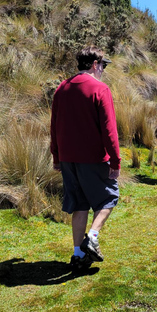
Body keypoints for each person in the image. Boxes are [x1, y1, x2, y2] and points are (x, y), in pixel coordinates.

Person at [50, 46, 121, 270]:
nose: (103, 70)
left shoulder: (62, 89)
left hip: (68, 157)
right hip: (93, 157)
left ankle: (78, 253)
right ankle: (92, 237)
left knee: (80, 204)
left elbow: (54, 126)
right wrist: (115, 161)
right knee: (109, 197)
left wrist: (56, 156)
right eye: (103, 66)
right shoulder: (100, 89)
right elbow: (109, 130)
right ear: (94, 65)